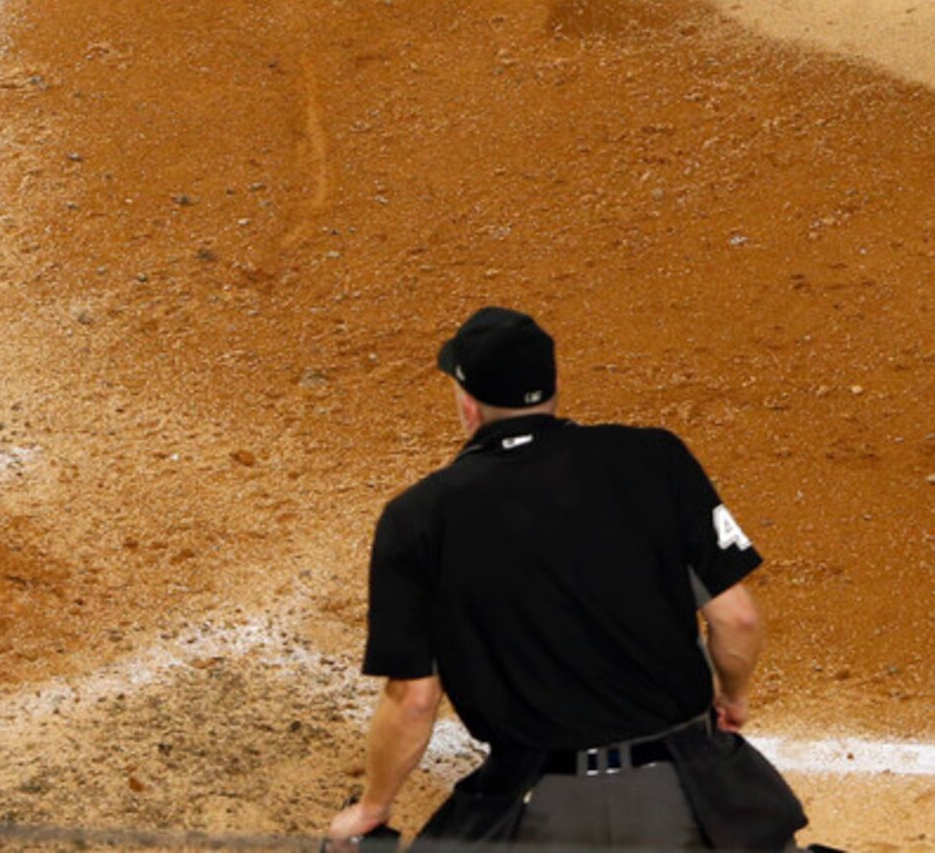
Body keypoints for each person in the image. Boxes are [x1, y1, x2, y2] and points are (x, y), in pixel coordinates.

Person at [325, 308, 809, 849]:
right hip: (688, 795)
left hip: (543, 812)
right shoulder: (655, 459)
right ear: (554, 385)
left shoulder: (418, 518)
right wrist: (732, 697)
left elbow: (414, 700)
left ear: (468, 405)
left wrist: (373, 806)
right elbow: (736, 618)